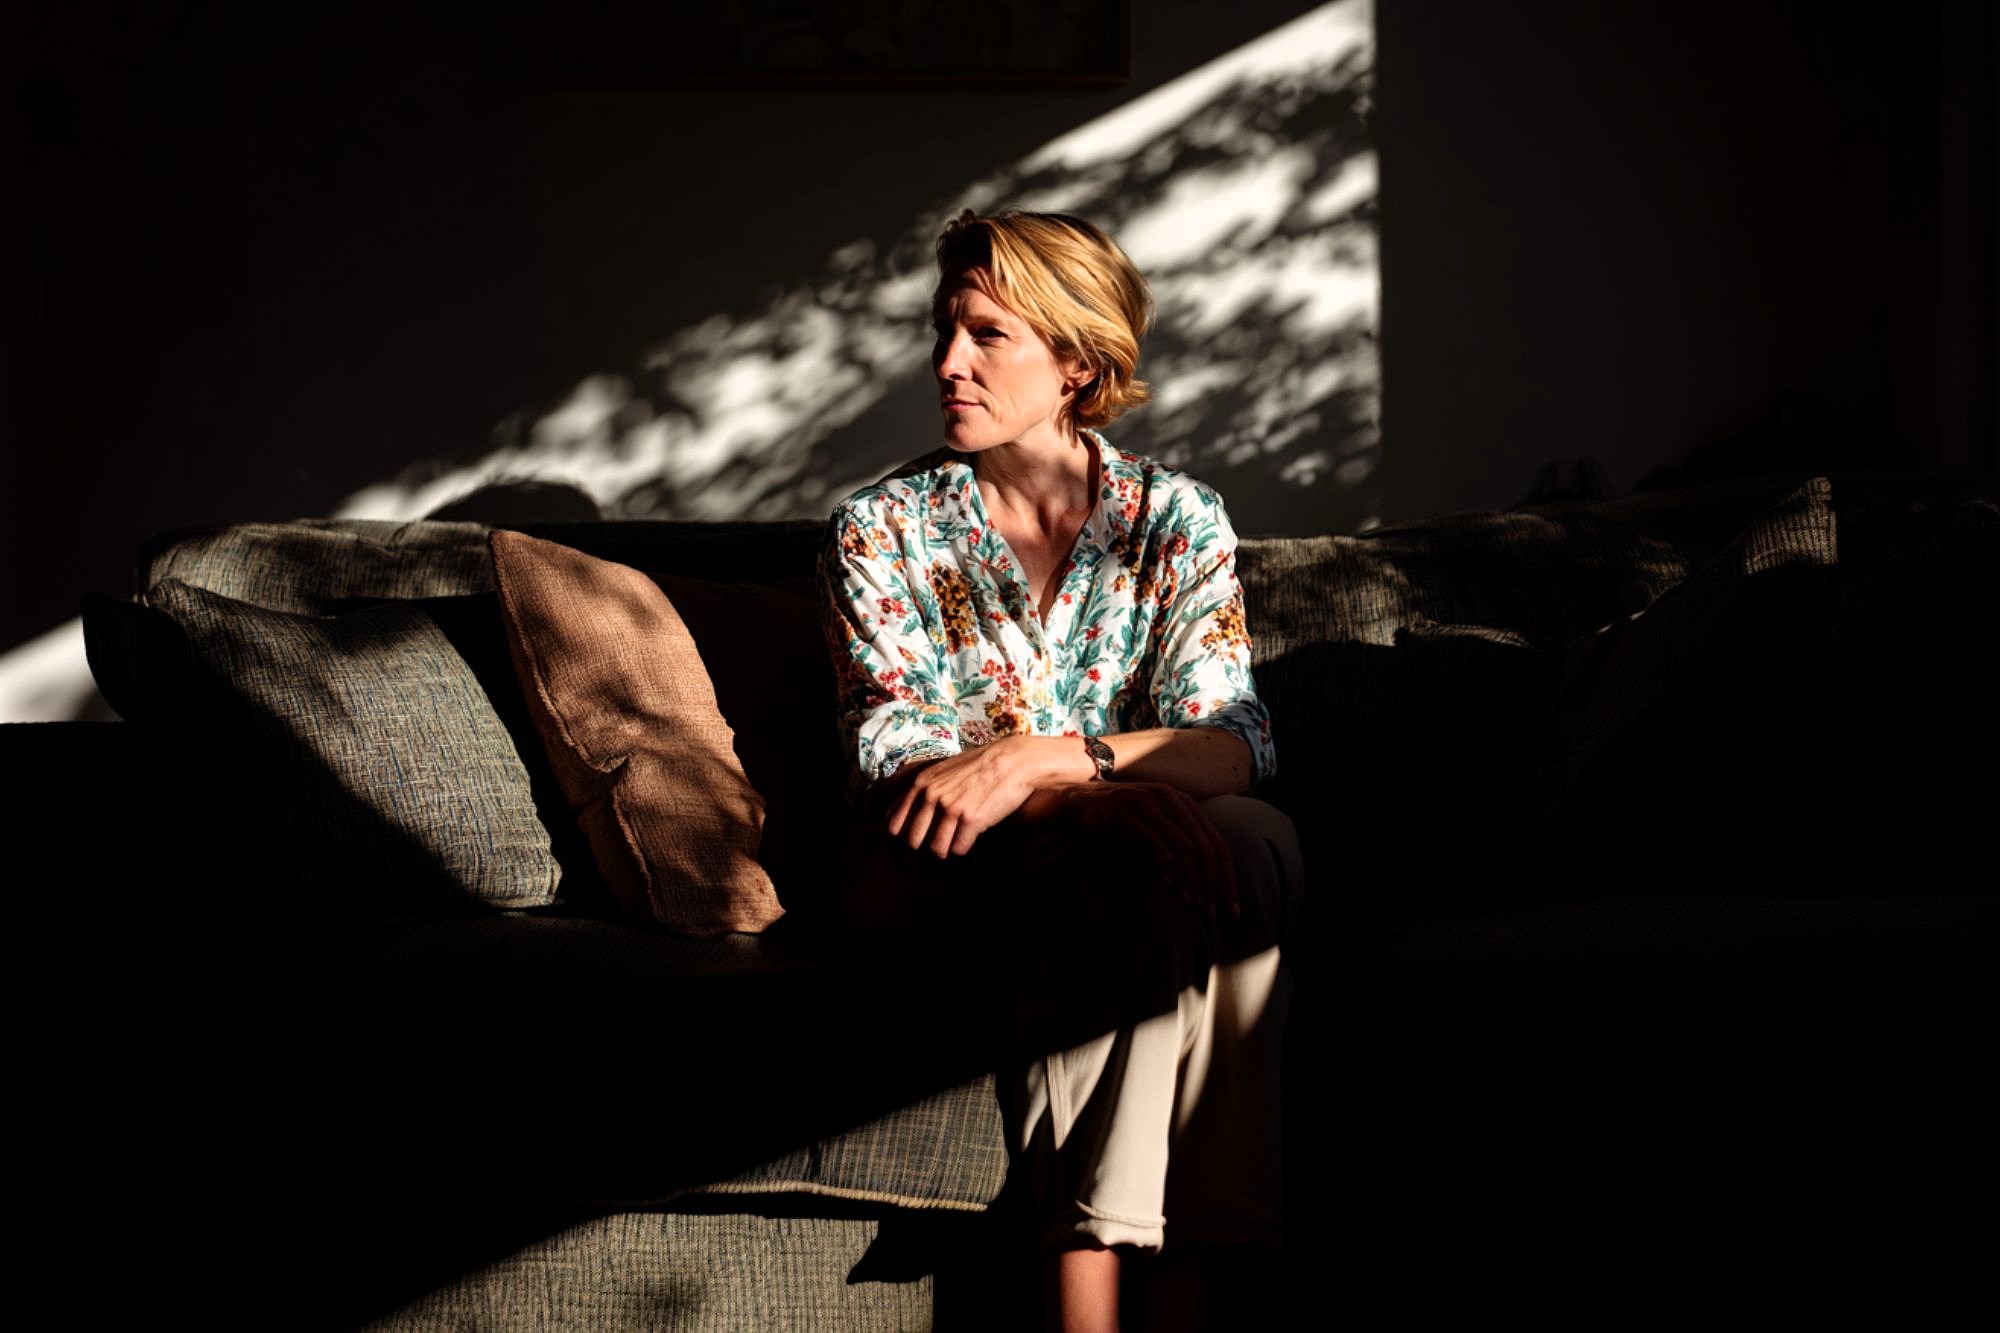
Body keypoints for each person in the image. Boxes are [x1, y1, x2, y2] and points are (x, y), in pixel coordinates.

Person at [815, 208, 1303, 1332]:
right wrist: (1097, 810)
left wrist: (1057, 761)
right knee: (1149, 868)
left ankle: (1166, 1288)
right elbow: (904, 764)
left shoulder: (1174, 521)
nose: (946, 364)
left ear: (1078, 362)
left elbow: (1235, 743)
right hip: (936, 880)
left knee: (1248, 842)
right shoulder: (881, 529)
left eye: (987, 335)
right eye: (945, 330)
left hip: (1136, 886)